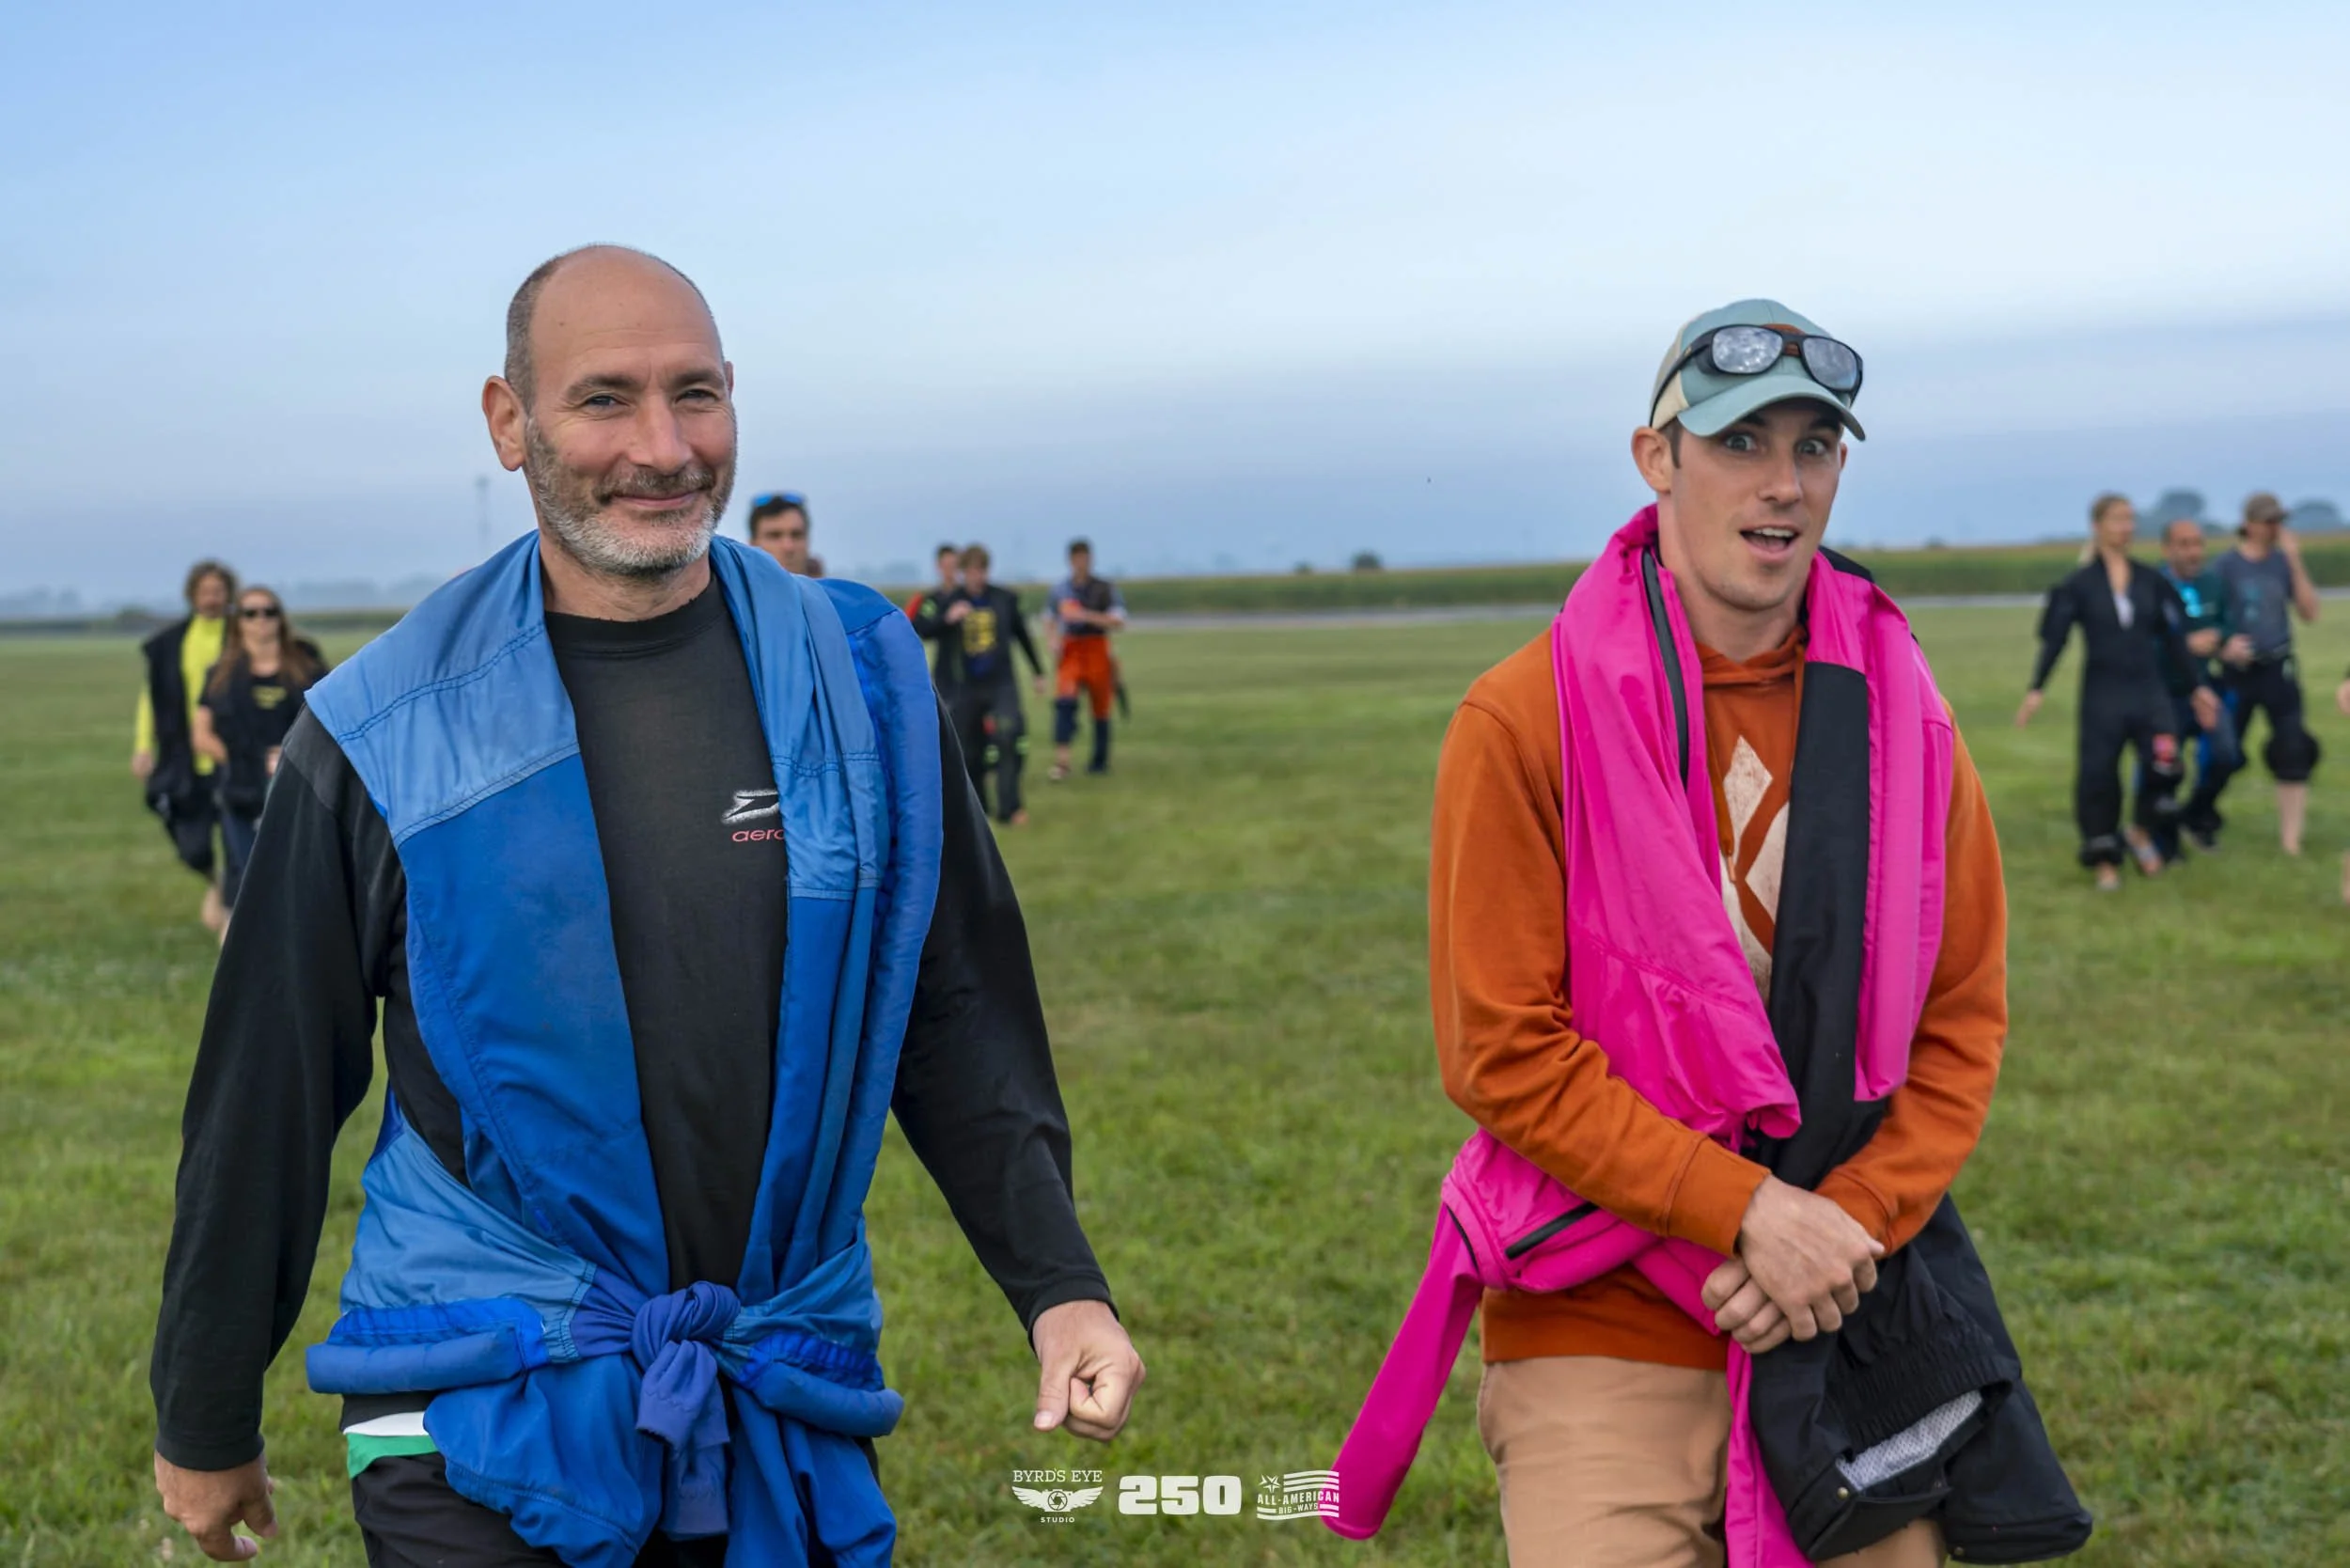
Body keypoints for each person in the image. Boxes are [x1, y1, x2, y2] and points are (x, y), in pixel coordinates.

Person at [150, 245, 1141, 1567]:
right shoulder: (386, 731)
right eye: (604, 400)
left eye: (697, 396)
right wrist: (206, 1411)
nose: (664, 448)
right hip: (476, 1387)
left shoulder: (861, 686)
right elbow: (268, 1087)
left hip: (771, 1370)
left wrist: (1059, 1287)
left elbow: (951, 1011)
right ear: (510, 424)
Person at [1395, 300, 2086, 1566]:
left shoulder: (1911, 721)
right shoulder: (1518, 718)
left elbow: (1960, 1020)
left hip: (1841, 1299)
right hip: (1602, 1311)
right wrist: (1744, 1211)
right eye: (1739, 442)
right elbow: (1502, 1050)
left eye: (1814, 447)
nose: (1782, 486)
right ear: (1657, 458)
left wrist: (1841, 1225)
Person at [2016, 495, 2218, 888]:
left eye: (2129, 519)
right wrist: (2036, 688)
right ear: (2098, 526)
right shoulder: (2080, 584)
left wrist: (2197, 689)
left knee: (2166, 759)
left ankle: (2142, 829)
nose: (2125, 526)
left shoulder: (2151, 581)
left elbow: (2175, 641)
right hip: (2102, 696)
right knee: (2099, 776)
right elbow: (2055, 639)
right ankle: (2105, 859)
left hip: (2149, 691)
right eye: (2116, 519)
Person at [189, 586, 328, 921]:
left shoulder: (306, 666)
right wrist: (246, 762)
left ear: (281, 618)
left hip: (300, 785)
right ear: (239, 622)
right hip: (242, 789)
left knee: (299, 872)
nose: (261, 620)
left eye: (269, 611)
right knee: (248, 873)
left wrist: (293, 756)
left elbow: (332, 717)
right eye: (250, 613)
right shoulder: (222, 673)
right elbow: (201, 734)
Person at [2207, 492, 2323, 855]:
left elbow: (2309, 612)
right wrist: (2223, 645)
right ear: (2250, 524)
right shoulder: (2224, 567)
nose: (2276, 529)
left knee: (2293, 748)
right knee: (2226, 753)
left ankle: (2291, 840)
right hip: (2238, 671)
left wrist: (2295, 561)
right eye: (2269, 522)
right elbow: (2207, 619)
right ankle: (2201, 817)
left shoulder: (2283, 563)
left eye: (2279, 521)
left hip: (2278, 667)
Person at [134, 559, 237, 936]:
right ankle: (216, 881)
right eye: (205, 591)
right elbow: (152, 698)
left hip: (229, 757)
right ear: (192, 595)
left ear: (229, 594)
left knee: (237, 839)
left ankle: (230, 912)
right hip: (181, 759)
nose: (212, 599)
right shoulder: (170, 643)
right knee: (192, 846)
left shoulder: (242, 636)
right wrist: (143, 745)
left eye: (219, 591)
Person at [2153, 518, 2243, 855]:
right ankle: (2160, 839)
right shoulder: (2152, 586)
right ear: (2167, 549)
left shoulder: (2213, 584)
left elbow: (2226, 623)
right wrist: (2185, 645)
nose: (2193, 552)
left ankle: (2197, 815)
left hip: (2205, 690)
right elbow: (2140, 640)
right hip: (2163, 692)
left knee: (2225, 756)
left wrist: (2225, 641)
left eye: (2198, 544)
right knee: (2163, 768)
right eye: (2184, 544)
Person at [941, 543, 1046, 826]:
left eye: (981, 571)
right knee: (969, 750)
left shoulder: (1004, 599)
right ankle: (978, 809)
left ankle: (1010, 807)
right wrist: (948, 618)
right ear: (963, 573)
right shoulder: (951, 600)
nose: (977, 577)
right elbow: (922, 628)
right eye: (971, 572)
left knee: (1008, 737)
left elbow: (1022, 635)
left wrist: (1038, 671)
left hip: (1000, 683)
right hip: (966, 686)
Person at [1048, 540, 1125, 780]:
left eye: (1085, 558)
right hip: (1071, 649)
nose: (1082, 564)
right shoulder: (1061, 590)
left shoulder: (1104, 589)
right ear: (1071, 561)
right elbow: (1049, 617)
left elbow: (1118, 620)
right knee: (1064, 701)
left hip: (1097, 647)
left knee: (1101, 706)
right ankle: (1063, 761)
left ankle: (1099, 760)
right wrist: (1052, 640)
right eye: (1077, 559)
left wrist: (1086, 615)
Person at [905, 542, 963, 689]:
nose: (951, 570)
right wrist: (947, 619)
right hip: (944, 669)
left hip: (968, 668)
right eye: (947, 565)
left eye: (954, 565)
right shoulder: (932, 601)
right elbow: (920, 626)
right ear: (939, 567)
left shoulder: (966, 597)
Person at [746, 490, 823, 576]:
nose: (788, 547)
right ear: (752, 545)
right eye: (774, 536)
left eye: (796, 535)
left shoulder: (831, 588)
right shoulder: (734, 588)